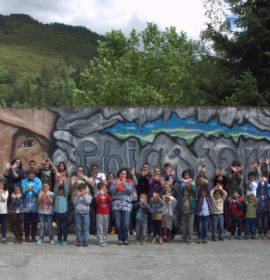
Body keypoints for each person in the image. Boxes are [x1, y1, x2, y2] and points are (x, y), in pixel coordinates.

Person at [110, 168, 133, 245]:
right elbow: (111, 191)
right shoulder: (114, 181)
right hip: (116, 204)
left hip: (126, 205)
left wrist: (125, 184)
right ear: (119, 174)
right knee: (118, 224)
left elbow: (130, 192)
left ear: (126, 175)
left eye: (124, 174)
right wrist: (116, 186)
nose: (123, 175)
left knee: (126, 223)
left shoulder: (129, 182)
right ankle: (120, 239)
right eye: (121, 173)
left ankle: (125, 238)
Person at [21, 170, 42, 242]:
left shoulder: (38, 181)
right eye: (29, 174)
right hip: (26, 206)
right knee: (26, 222)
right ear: (27, 175)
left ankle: (33, 237)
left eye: (32, 174)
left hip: (35, 206)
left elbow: (39, 193)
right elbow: (23, 193)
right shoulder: (24, 181)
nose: (31, 175)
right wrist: (26, 190)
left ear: (34, 175)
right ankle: (27, 236)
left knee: (34, 222)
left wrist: (33, 191)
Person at [73, 183, 92, 247]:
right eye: (80, 190)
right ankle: (79, 241)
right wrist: (78, 196)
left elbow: (87, 202)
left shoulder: (88, 196)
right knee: (78, 228)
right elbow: (75, 203)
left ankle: (85, 241)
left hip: (86, 213)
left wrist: (83, 195)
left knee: (85, 228)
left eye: (82, 190)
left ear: (85, 190)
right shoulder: (76, 196)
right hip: (78, 213)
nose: (81, 191)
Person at [95, 182, 112, 246]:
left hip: (106, 213)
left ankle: (104, 239)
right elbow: (97, 201)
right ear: (100, 189)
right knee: (100, 227)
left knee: (105, 227)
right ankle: (100, 240)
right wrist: (101, 195)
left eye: (105, 188)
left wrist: (106, 195)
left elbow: (110, 200)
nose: (104, 189)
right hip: (99, 213)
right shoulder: (98, 195)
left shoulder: (107, 195)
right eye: (102, 188)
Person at [54, 180, 69, 246]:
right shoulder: (56, 196)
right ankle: (59, 240)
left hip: (64, 214)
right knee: (59, 228)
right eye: (59, 191)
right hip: (57, 214)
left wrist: (64, 183)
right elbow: (55, 189)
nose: (60, 192)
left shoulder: (65, 196)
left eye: (62, 191)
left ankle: (65, 240)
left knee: (65, 228)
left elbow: (66, 190)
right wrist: (57, 182)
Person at [0, 176, 8, 244]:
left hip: (3, 211)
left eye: (1, 185)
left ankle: (4, 237)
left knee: (3, 225)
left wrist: (1, 193)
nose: (0, 186)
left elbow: (4, 199)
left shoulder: (6, 191)